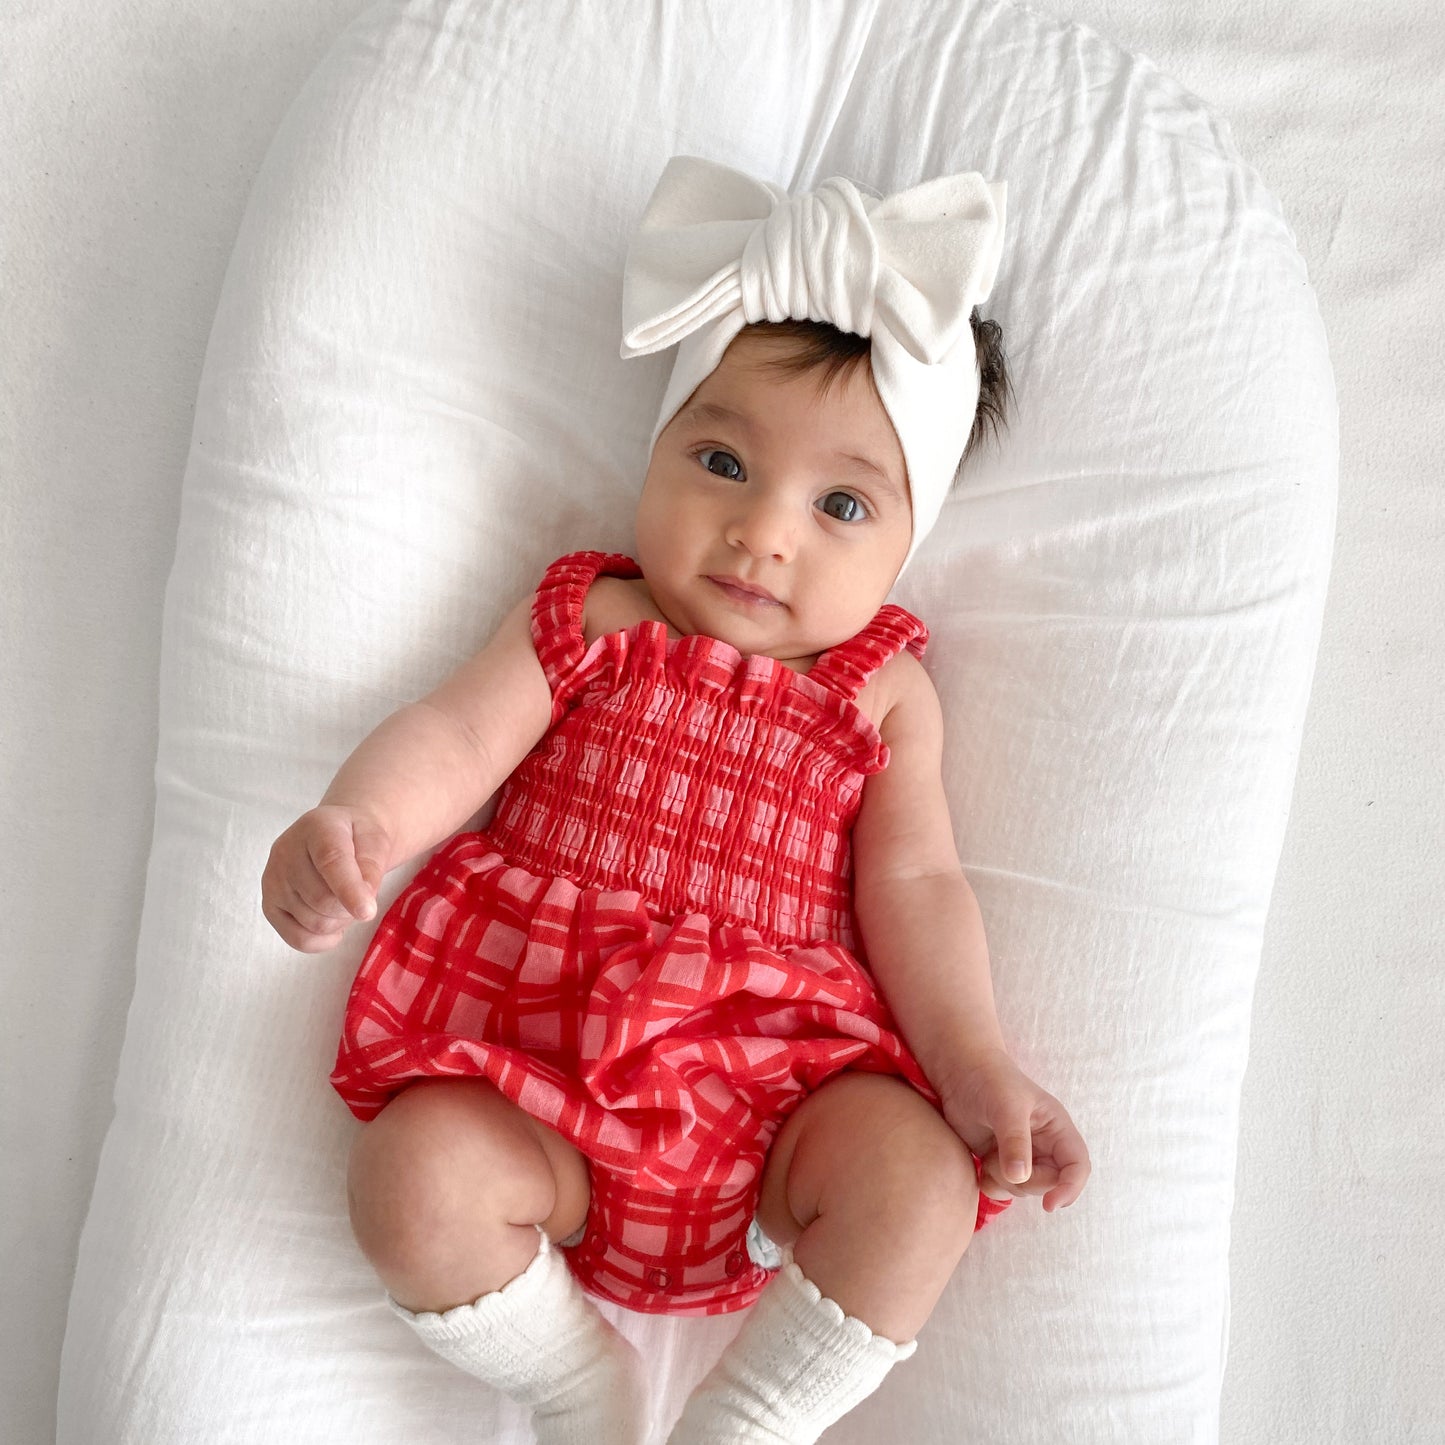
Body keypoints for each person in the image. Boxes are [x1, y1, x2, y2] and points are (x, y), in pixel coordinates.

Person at [262, 155, 1090, 1445]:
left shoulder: (881, 691)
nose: (765, 533)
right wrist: (357, 822)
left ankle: (749, 1420)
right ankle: (578, 1392)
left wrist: (975, 1065)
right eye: (718, 458)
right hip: (539, 1076)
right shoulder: (592, 615)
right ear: (655, 449)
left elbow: (919, 885)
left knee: (919, 1180)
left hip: (779, 1109)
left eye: (841, 505)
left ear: (902, 543)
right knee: (411, 1176)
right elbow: (459, 734)